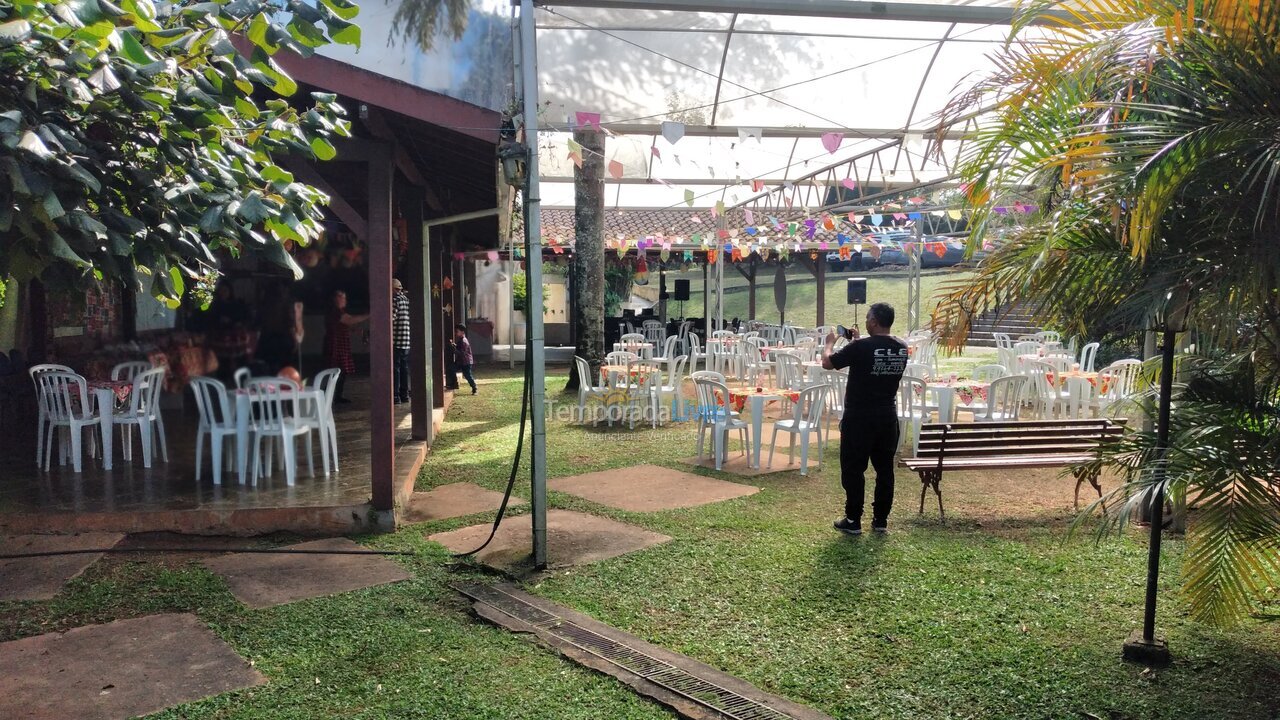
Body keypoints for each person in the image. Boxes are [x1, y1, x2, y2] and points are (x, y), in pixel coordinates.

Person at [821, 302, 909, 535]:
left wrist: (829, 343)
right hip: (887, 417)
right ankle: (880, 520)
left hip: (859, 418)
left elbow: (828, 363)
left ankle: (853, 519)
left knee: (853, 469)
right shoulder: (902, 347)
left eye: (869, 318)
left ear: (873, 321)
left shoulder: (861, 348)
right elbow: (872, 359)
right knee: (884, 470)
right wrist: (857, 342)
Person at [323, 290, 368, 404]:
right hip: (335, 344)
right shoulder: (335, 311)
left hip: (340, 344)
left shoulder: (339, 311)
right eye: (342, 297)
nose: (344, 300)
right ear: (336, 299)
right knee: (336, 370)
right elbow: (350, 320)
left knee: (341, 371)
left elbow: (346, 324)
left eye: (344, 298)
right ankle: (330, 395)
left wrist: (356, 330)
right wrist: (370, 314)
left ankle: (336, 395)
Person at [392, 279, 411, 404]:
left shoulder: (395, 300)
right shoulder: (405, 299)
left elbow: (391, 318)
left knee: (396, 369)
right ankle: (405, 395)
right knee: (404, 368)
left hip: (396, 339)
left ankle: (395, 396)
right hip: (406, 340)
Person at [449, 323, 477, 395]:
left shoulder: (463, 341)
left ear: (462, 332)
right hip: (462, 361)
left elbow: (462, 353)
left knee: (467, 375)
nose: (456, 333)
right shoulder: (461, 340)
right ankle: (454, 384)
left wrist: (454, 349)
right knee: (452, 369)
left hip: (466, 362)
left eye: (457, 331)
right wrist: (454, 346)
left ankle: (474, 388)